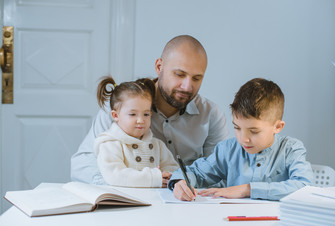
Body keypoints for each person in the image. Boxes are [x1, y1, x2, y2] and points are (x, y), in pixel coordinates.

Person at [71, 35, 229, 185]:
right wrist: (121, 183)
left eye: (196, 78)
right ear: (159, 67)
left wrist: (183, 186)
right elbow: (81, 166)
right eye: (179, 74)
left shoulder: (212, 115)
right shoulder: (121, 106)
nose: (187, 86)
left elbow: (221, 174)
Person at [169, 78, 314, 201]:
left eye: (254, 131)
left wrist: (248, 189)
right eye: (237, 128)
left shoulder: (291, 149)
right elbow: (195, 173)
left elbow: (305, 186)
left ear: (277, 127)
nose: (243, 139)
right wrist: (180, 182)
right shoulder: (227, 150)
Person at [94, 77, 178, 188]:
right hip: (123, 200)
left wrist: (169, 177)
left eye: (146, 114)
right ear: (115, 115)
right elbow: (115, 175)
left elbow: (172, 168)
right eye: (133, 114)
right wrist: (153, 178)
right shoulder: (110, 144)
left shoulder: (157, 145)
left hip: (156, 201)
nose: (141, 120)